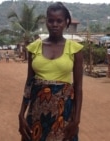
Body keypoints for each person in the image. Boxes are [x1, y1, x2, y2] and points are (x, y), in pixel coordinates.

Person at [18, 2, 84, 141]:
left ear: (66, 22)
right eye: (51, 20)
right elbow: (29, 83)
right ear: (46, 22)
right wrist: (21, 114)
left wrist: (76, 120)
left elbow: (78, 87)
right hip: (36, 112)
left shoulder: (75, 49)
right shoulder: (34, 48)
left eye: (59, 21)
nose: (55, 24)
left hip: (63, 114)